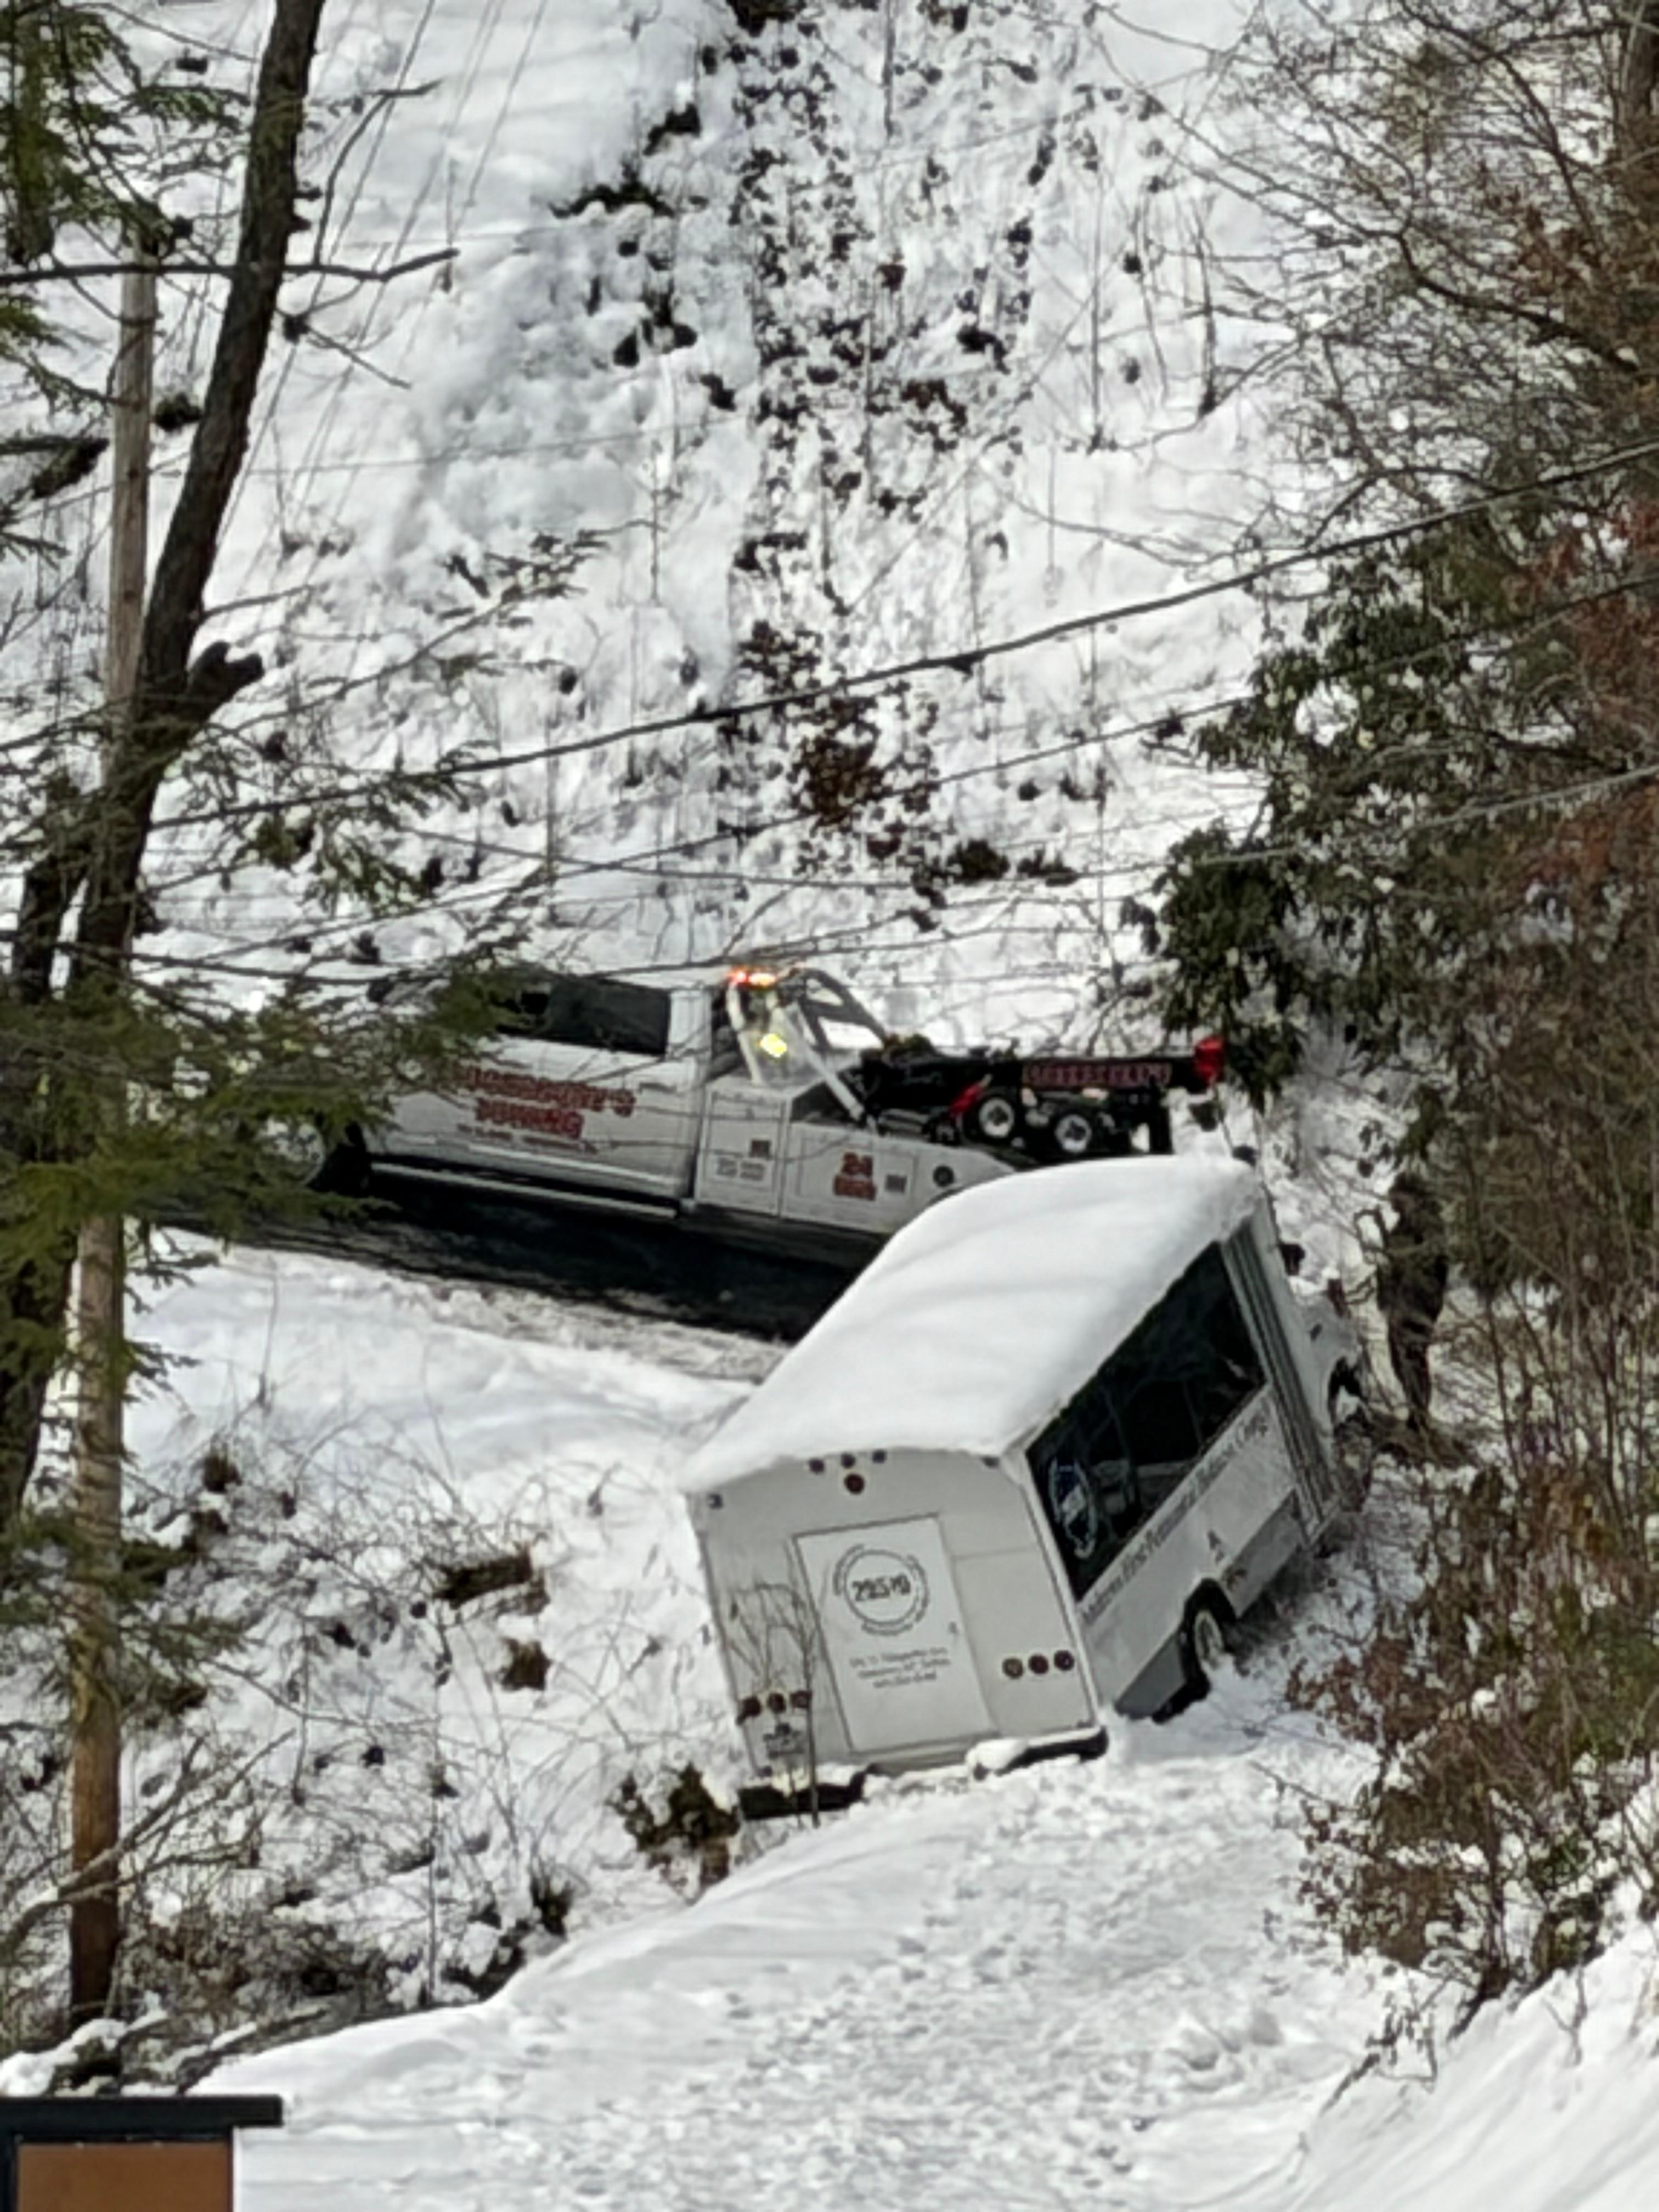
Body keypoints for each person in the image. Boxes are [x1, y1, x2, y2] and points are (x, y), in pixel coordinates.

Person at [1375, 1172, 1449, 1436]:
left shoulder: (1427, 1221)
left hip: (1417, 1302)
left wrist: (1401, 1261)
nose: (1393, 1202)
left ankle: (1420, 1417)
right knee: (1400, 1359)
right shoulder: (1405, 1224)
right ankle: (1415, 1413)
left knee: (1412, 1358)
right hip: (1402, 1302)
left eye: (1399, 1197)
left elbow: (1431, 1256)